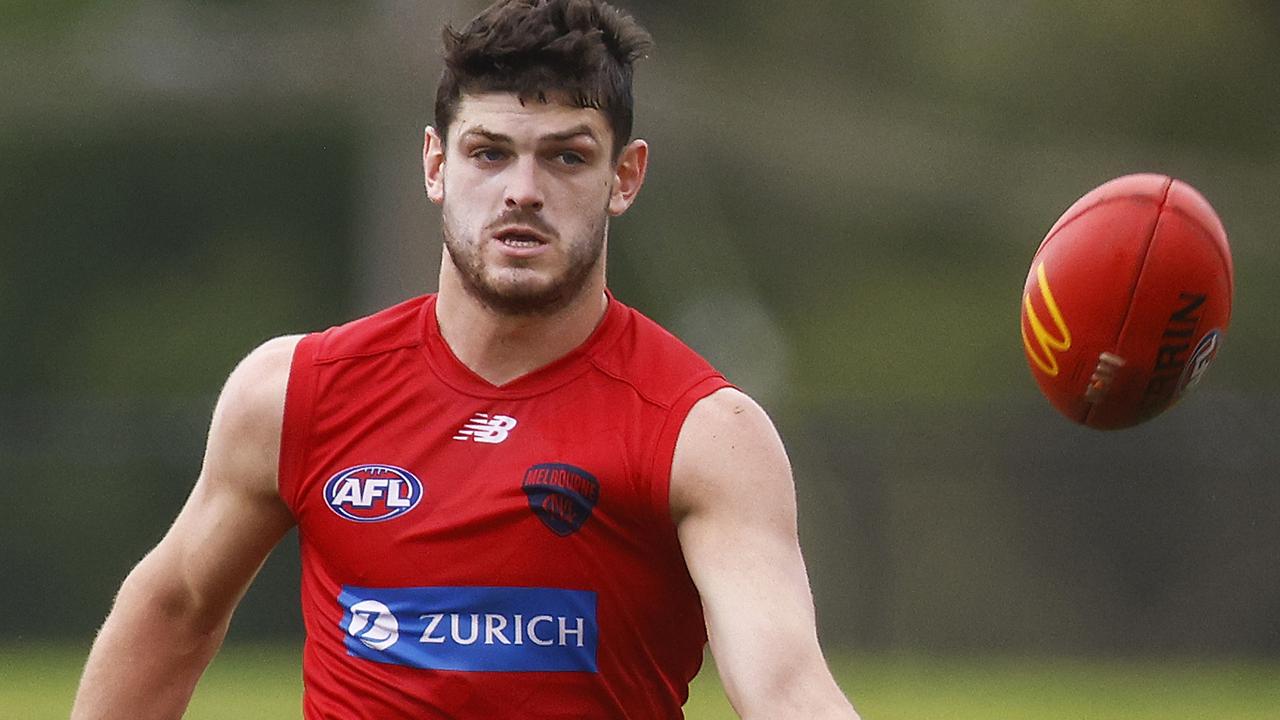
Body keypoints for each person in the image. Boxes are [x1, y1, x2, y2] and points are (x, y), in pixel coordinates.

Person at [71, 1, 860, 717]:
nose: (523, 190)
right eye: (489, 153)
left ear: (624, 177)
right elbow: (172, 611)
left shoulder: (704, 434)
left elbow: (784, 682)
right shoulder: (293, 393)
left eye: (567, 158)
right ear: (435, 166)